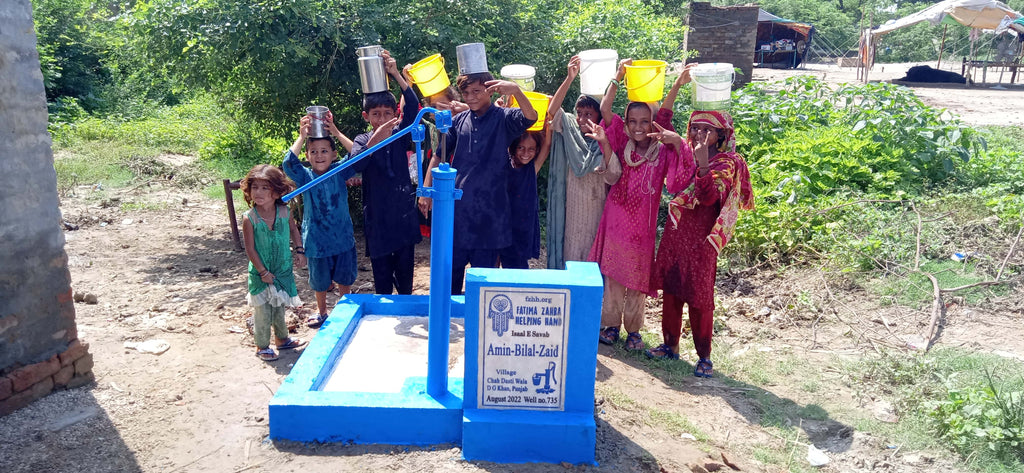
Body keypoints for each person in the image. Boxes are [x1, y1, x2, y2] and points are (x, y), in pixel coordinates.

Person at [590, 59, 694, 352]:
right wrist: (618, 76)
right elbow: (607, 111)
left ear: (653, 124)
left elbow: (667, 116)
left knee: (638, 278)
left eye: (645, 121)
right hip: (617, 216)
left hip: (644, 225)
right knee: (612, 275)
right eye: (632, 121)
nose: (638, 127)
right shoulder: (621, 140)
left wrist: (676, 86)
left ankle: (634, 330)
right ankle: (610, 325)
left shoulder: (662, 148)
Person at [647, 111, 754, 378]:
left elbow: (707, 199)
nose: (699, 134)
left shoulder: (727, 163)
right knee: (672, 290)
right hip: (677, 234)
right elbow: (665, 130)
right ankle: (670, 344)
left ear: (721, 136)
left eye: (708, 130)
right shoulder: (686, 156)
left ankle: (704, 356)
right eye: (695, 128)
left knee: (700, 298)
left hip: (702, 241)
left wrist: (704, 166)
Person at [422, 69, 537, 294]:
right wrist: (427, 190)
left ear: (490, 91)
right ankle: (449, 326)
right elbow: (439, 154)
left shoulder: (504, 119)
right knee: (450, 278)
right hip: (459, 214)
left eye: (477, 91)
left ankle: (476, 327)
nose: (471, 97)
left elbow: (530, 117)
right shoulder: (459, 121)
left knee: (482, 284)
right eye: (466, 93)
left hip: (491, 218)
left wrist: (516, 91)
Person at [349, 50, 422, 295]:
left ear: (395, 115)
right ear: (366, 116)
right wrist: (375, 141)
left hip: (403, 217)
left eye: (387, 114)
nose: (382, 119)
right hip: (377, 222)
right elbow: (356, 165)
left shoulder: (401, 133)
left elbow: (412, 106)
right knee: (382, 282)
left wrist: (395, 74)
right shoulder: (362, 140)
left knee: (405, 282)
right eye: (376, 115)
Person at [545, 55, 622, 269]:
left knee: (592, 263)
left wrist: (604, 143)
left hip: (596, 212)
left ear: (598, 116)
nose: (582, 119)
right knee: (571, 258)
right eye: (579, 113)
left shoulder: (607, 137)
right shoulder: (569, 128)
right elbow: (552, 111)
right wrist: (570, 78)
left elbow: (613, 174)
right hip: (572, 212)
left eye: (588, 113)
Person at [282, 114, 357, 328]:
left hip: (342, 237)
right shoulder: (305, 176)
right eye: (313, 152)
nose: (319, 155)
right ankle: (322, 311)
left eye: (324, 151)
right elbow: (288, 163)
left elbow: (359, 153)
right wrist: (301, 136)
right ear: (307, 155)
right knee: (320, 280)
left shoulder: (339, 171)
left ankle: (345, 308)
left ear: (334, 154)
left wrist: (335, 132)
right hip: (316, 241)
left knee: (344, 277)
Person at [240, 164, 307, 361]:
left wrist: (300, 250)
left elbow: (294, 231)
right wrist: (262, 272)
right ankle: (262, 346)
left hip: (282, 269)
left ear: (277, 192)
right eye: (255, 187)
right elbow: (250, 249)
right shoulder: (250, 218)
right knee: (262, 311)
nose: (258, 193)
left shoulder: (285, 212)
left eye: (265, 188)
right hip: (261, 273)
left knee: (279, 306)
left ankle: (282, 339)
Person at [500, 128, 551, 269]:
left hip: (521, 230)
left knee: (517, 269)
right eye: (521, 148)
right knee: (492, 268)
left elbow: (547, 146)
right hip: (500, 226)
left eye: (531, 149)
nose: (525, 153)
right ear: (513, 147)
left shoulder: (532, 169)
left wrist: (548, 127)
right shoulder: (503, 166)